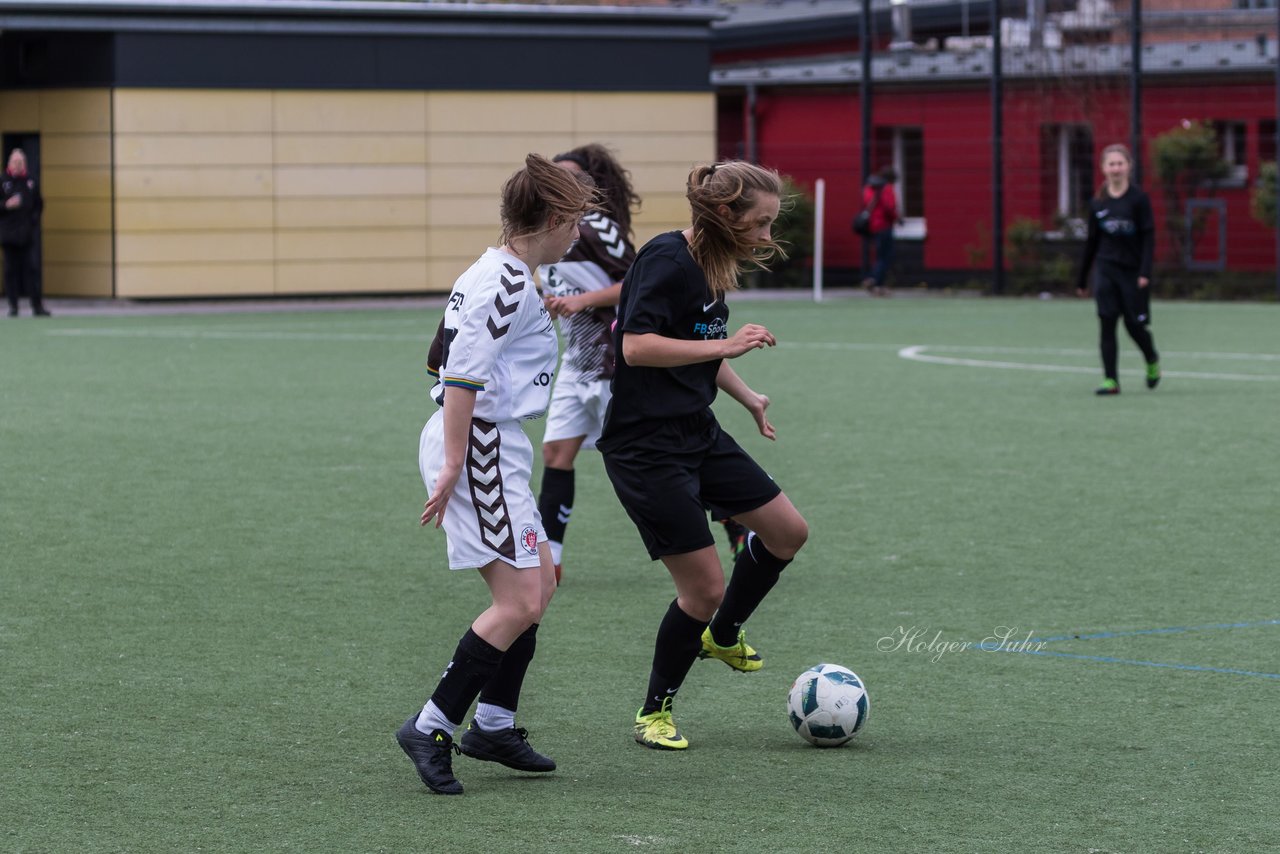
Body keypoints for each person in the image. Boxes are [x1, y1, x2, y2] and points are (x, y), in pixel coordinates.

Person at [396, 154, 597, 795]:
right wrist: (456, 461)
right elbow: (460, 373)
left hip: (494, 440)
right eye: (577, 225)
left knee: (541, 584)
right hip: (478, 441)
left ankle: (494, 724)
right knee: (518, 602)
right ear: (557, 219)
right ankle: (431, 726)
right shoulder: (505, 282)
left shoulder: (508, 273)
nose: (579, 237)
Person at [597, 160, 810, 750]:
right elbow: (638, 347)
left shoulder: (712, 262)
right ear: (723, 214)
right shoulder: (666, 260)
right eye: (760, 223)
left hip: (697, 430)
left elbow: (696, 349)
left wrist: (748, 398)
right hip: (646, 447)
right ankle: (654, 712)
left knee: (788, 532)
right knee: (703, 590)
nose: (767, 236)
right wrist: (728, 342)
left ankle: (723, 636)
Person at [535, 144, 640, 585]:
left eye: (573, 176)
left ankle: (733, 520)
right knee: (556, 453)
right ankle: (549, 561)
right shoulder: (550, 231)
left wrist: (581, 300)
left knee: (648, 459)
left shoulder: (598, 226)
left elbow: (638, 284)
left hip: (614, 364)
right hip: (577, 363)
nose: (561, 183)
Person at [1075, 143, 1160, 396]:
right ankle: (1111, 380)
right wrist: (1082, 278)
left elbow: (1148, 237)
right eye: (1111, 164)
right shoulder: (1098, 203)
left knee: (1135, 326)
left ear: (1128, 167)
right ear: (1103, 168)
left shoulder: (1138, 200)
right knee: (1107, 322)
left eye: (1120, 163)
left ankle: (1152, 359)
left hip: (1132, 272)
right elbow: (1091, 242)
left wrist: (1145, 272)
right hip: (1105, 269)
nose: (1116, 168)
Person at [1, 148, 48, 318]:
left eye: (21, 163)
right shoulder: (2, 181)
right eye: (15, 162)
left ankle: (37, 305)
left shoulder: (31, 180)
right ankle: (13, 306)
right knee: (10, 270)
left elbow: (39, 204)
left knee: (32, 269)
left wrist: (33, 221)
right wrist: (6, 205)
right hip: (9, 235)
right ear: (9, 163)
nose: (18, 165)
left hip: (28, 234)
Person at [859, 166, 901, 297]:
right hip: (884, 226)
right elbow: (890, 207)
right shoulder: (886, 188)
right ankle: (875, 281)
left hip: (873, 226)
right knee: (886, 256)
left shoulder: (869, 187)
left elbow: (866, 203)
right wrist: (897, 218)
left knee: (879, 255)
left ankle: (874, 280)